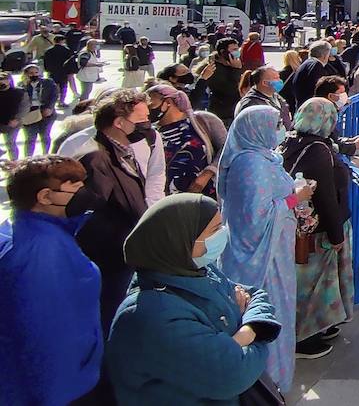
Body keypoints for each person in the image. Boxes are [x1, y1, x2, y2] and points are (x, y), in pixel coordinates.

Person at [105, 193, 284, 405]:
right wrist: (257, 331)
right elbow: (232, 374)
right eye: (215, 230)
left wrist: (242, 335)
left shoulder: (199, 271)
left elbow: (256, 295)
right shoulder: (149, 315)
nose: (223, 234)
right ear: (179, 239)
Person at [0, 156, 104, 406]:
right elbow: (43, 336)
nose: (84, 194)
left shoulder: (45, 233)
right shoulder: (38, 254)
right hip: (61, 389)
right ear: (45, 196)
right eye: (75, 188)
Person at [218, 105, 309, 384]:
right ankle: (268, 381)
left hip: (275, 251)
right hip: (261, 260)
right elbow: (258, 218)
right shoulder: (251, 165)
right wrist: (296, 198)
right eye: (275, 125)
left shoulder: (263, 157)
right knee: (269, 313)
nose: (281, 129)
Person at [68, 88, 152, 331]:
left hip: (124, 247)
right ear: (119, 122)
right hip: (110, 252)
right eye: (141, 119)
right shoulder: (96, 156)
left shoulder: (124, 150)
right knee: (108, 312)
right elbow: (89, 206)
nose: (147, 124)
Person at [282, 98, 355, 355]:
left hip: (305, 227)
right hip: (320, 229)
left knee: (318, 282)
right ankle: (304, 335)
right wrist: (337, 235)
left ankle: (322, 324)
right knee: (314, 284)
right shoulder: (318, 150)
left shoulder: (292, 141)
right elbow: (325, 196)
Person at [149, 83, 226, 197]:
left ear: (168, 102)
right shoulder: (153, 133)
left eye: (151, 105)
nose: (148, 110)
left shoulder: (203, 120)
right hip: (170, 198)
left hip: (206, 194)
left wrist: (208, 173)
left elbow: (226, 148)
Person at [201, 37, 244, 125]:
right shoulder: (214, 69)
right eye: (234, 50)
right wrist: (236, 70)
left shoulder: (232, 65)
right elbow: (230, 90)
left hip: (234, 111)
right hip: (222, 114)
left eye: (237, 49)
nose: (237, 52)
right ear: (223, 52)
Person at [237, 65, 294, 129]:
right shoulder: (251, 104)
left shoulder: (277, 96)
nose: (280, 80)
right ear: (264, 83)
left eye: (279, 77)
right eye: (276, 78)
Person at [20, 63, 58, 157]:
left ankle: (46, 155)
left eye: (36, 72)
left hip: (45, 112)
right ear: (26, 74)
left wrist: (50, 107)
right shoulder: (22, 85)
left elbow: (54, 95)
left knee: (45, 136)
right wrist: (25, 84)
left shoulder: (48, 82)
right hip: (30, 114)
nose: (34, 75)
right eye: (31, 73)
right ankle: (28, 157)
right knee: (30, 138)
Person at [285, 40, 331, 111]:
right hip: (310, 109)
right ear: (324, 55)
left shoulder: (306, 63)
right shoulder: (316, 66)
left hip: (303, 105)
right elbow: (318, 88)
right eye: (328, 54)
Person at [43, 34, 77, 106]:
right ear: (62, 41)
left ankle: (54, 101)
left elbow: (45, 62)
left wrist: (47, 69)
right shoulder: (66, 50)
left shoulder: (48, 51)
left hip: (52, 71)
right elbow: (70, 62)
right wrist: (71, 71)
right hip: (63, 71)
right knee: (63, 87)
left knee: (54, 86)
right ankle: (61, 101)